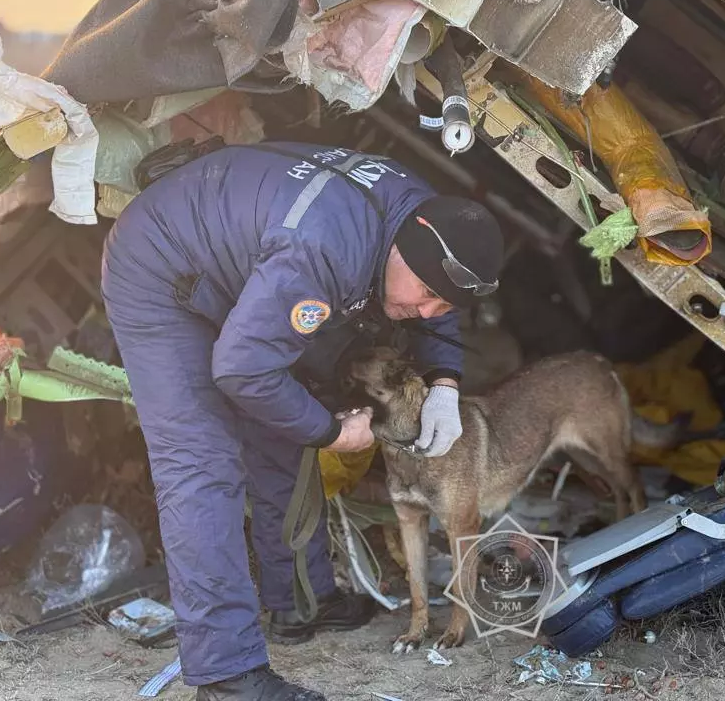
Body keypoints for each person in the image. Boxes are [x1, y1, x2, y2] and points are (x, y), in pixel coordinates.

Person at [100, 140, 505, 701]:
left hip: (241, 258)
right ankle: (226, 675)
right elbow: (242, 370)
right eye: (428, 295)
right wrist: (335, 433)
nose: (429, 313)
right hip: (161, 266)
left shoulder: (422, 217)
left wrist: (444, 382)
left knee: (280, 426)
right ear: (402, 253)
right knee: (201, 463)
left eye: (446, 305)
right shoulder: (323, 251)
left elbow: (435, 304)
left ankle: (301, 602)